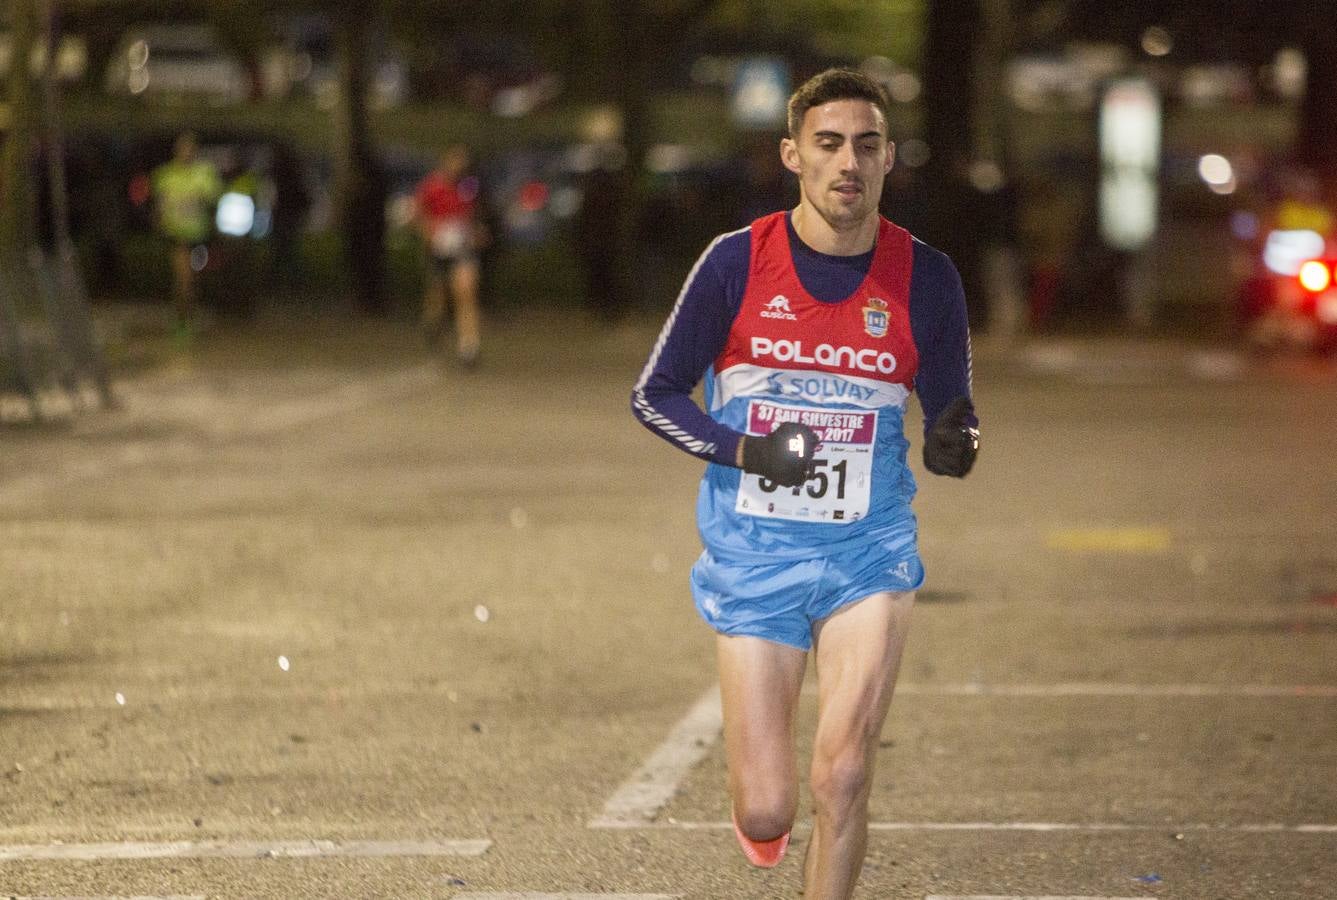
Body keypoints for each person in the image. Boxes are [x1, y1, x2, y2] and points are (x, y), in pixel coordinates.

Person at [630, 68, 978, 899]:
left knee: (845, 774)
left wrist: (953, 436)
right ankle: (762, 820)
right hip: (755, 557)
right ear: (793, 155)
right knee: (765, 809)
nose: (846, 163)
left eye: (865, 145)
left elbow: (951, 401)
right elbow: (655, 394)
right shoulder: (733, 262)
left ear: (889, 158)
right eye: (827, 144)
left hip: (869, 552)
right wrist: (747, 452)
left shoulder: (925, 275)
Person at [415, 144, 485, 366]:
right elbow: (419, 214)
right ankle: (433, 323)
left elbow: (474, 213)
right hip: (439, 248)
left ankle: (469, 346)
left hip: (462, 247)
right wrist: (429, 233)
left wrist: (476, 232)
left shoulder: (468, 186)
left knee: (465, 292)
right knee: (438, 294)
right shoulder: (431, 186)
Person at [151, 132, 222, 332]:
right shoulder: (165, 174)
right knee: (183, 276)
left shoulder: (204, 173)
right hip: (176, 234)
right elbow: (159, 204)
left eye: (190, 149)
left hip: (198, 235)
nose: (186, 153)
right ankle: (182, 316)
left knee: (193, 278)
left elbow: (213, 200)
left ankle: (188, 311)